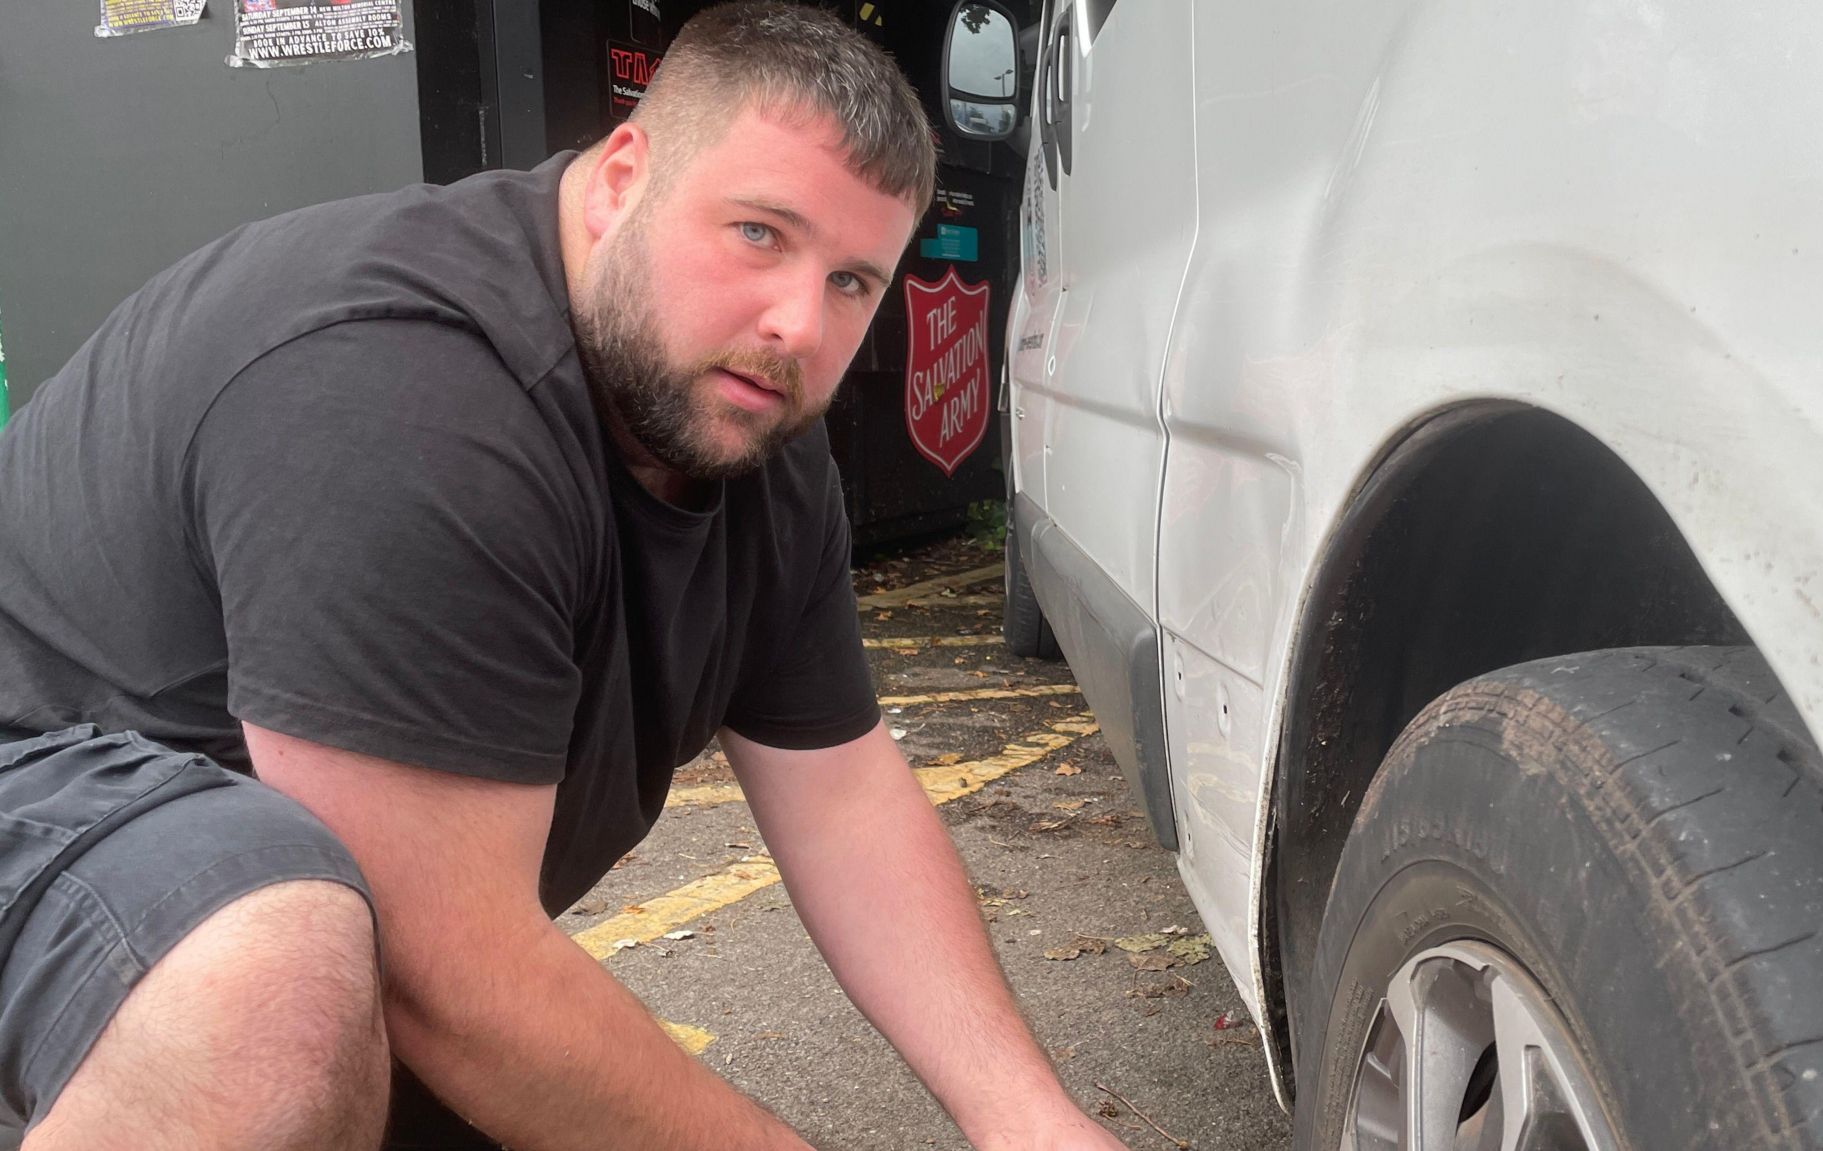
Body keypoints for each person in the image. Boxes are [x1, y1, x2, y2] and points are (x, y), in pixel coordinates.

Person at [0, 5, 1131, 1149]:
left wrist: (1033, 1123)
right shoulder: (409, 396)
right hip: (41, 776)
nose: (795, 321)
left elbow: (840, 794)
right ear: (620, 176)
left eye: (851, 281)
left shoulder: (747, 431)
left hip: (333, 905)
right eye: (756, 233)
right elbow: (449, 976)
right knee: (265, 992)